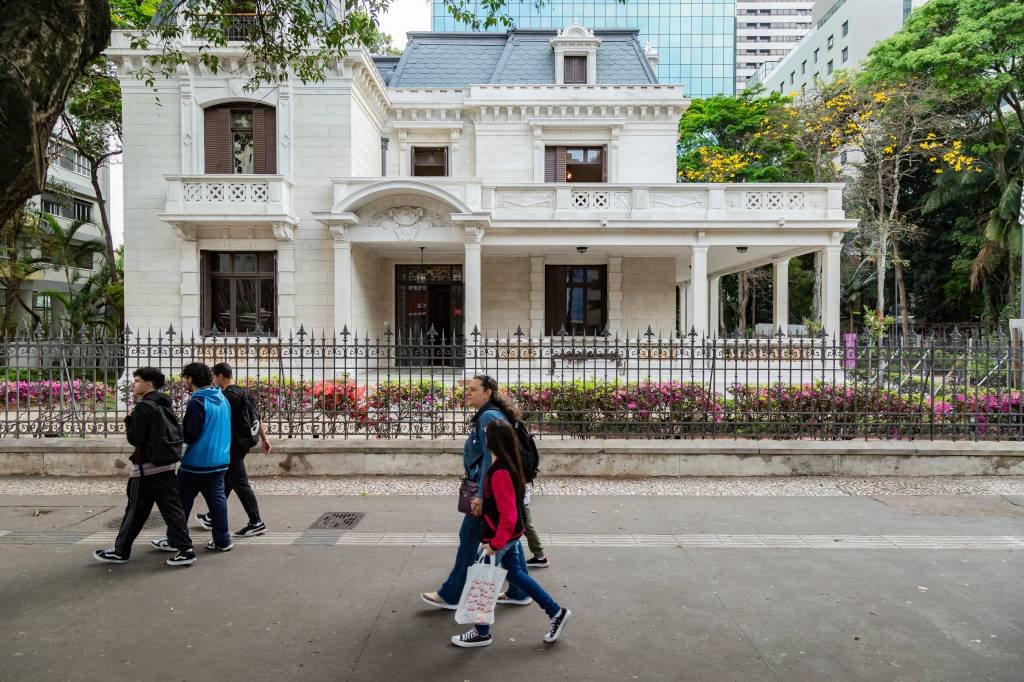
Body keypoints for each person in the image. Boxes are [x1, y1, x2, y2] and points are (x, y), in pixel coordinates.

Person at [450, 420, 571, 648]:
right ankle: (556, 612)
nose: (482, 437)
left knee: (483, 583)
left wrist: (495, 545)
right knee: (515, 575)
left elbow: (508, 514)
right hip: (509, 535)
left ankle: (482, 631)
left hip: (500, 537)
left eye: (485, 434)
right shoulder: (507, 465)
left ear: (493, 441)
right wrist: (483, 505)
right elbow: (505, 507)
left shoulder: (500, 472)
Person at [420, 375, 531, 609]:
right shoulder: (491, 413)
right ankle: (520, 592)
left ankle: (452, 594)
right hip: (499, 488)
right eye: (467, 389)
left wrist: (480, 495)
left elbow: (489, 462)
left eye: (473, 389)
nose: (467, 393)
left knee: (469, 540)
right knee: (510, 540)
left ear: (488, 393)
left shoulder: (489, 417)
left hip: (488, 490)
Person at [94, 367, 196, 567]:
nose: (134, 384)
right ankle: (186, 550)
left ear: (149, 384)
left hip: (146, 469)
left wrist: (129, 418)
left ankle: (120, 551)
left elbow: (135, 438)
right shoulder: (165, 404)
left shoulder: (143, 407)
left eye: (138, 380)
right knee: (173, 511)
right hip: (166, 466)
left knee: (135, 512)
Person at [150, 362, 233, 553]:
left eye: (185, 379)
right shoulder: (221, 397)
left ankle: (174, 539)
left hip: (197, 461)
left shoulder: (197, 402)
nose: (184, 383)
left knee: (179, 501)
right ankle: (222, 540)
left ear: (190, 379)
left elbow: (191, 433)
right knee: (217, 501)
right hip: (220, 459)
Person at [193, 362, 272, 537]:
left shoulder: (226, 397)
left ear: (220, 376)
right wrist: (264, 439)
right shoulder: (243, 392)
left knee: (240, 484)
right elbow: (257, 417)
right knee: (228, 480)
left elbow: (217, 423)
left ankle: (256, 521)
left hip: (232, 446)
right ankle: (212, 516)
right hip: (243, 443)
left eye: (213, 377)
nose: (213, 381)